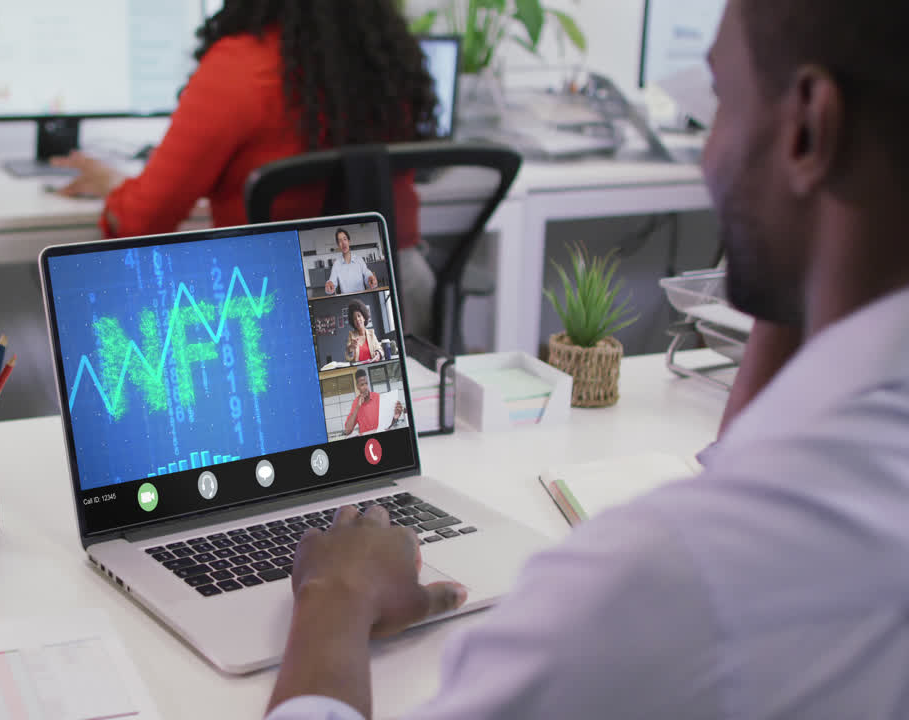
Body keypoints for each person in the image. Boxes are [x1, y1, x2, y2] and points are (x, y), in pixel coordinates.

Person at [265, 1, 909, 718]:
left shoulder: (656, 587)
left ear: (809, 128)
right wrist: (807, 270)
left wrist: (334, 597)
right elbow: (759, 470)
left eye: (721, 99)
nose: (708, 154)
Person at [51, 0, 442, 340]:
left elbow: (143, 219)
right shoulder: (389, 62)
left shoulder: (239, 68)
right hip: (399, 298)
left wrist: (115, 188)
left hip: (271, 308)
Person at [342, 369, 404, 437]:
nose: (366, 387)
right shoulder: (356, 403)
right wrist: (357, 407)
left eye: (366, 383)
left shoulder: (377, 397)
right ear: (358, 387)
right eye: (362, 385)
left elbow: (387, 425)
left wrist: (395, 417)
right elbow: (347, 431)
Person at [325, 228, 379, 296]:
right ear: (338, 245)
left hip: (362, 297)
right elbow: (331, 283)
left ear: (349, 241)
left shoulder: (359, 260)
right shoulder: (336, 264)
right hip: (346, 299)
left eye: (345, 239)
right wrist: (329, 286)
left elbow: (367, 275)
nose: (343, 243)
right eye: (340, 241)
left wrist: (370, 279)